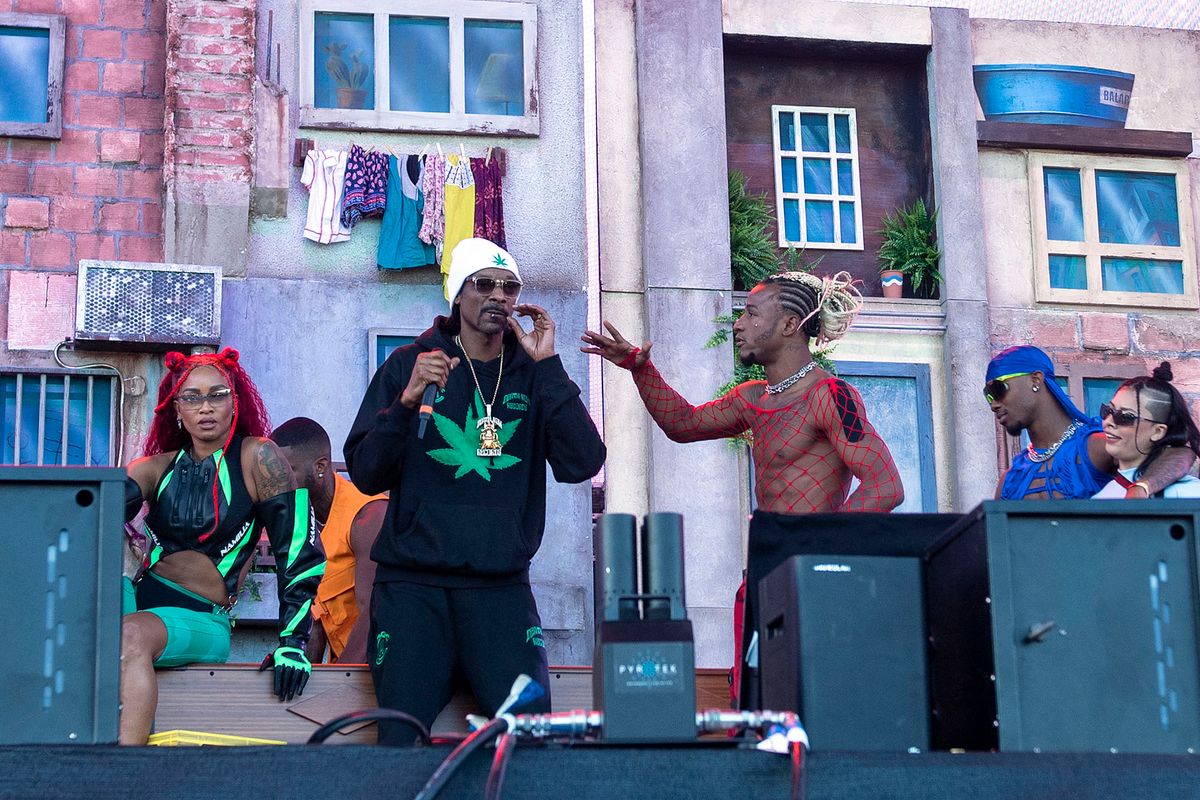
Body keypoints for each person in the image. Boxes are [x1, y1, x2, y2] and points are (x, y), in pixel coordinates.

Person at [582, 269, 904, 707]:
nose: (738, 324)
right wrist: (641, 369)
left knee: (814, 703)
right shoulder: (754, 398)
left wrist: (813, 547)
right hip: (760, 579)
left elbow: (885, 486)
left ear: (790, 325)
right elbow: (684, 424)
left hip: (813, 580)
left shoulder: (831, 395)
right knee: (752, 702)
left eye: (752, 313)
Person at [345, 237, 606, 744]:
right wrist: (406, 402)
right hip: (414, 589)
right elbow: (367, 473)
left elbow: (584, 463)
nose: (499, 297)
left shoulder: (533, 371)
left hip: (500, 588)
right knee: (401, 744)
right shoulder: (410, 363)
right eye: (484, 284)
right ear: (458, 294)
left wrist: (549, 367)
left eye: (510, 288)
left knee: (530, 740)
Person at [121, 348, 325, 745]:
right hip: (137, 605)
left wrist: (293, 643)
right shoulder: (149, 468)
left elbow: (297, 548)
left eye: (217, 394)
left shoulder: (258, 456)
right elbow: (86, 517)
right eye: (192, 397)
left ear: (235, 402)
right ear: (176, 409)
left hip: (202, 620)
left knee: (129, 635)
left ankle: (119, 775)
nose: (206, 407)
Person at [985, 345, 1195, 499]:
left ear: (1036, 380)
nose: (993, 404)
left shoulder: (1094, 446)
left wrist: (1142, 487)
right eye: (988, 396)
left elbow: (1178, 452)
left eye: (998, 390)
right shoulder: (1008, 481)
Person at [271, 417, 387, 663]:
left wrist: (338, 686)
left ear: (320, 467)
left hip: (378, 669)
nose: (277, 482)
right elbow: (315, 623)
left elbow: (375, 612)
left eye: (287, 471)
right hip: (343, 672)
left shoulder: (367, 516)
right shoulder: (300, 520)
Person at [1093, 362, 1200, 499]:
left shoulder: (1189, 493)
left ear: (1157, 432)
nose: (1108, 422)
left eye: (1125, 416)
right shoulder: (1101, 498)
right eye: (1108, 410)